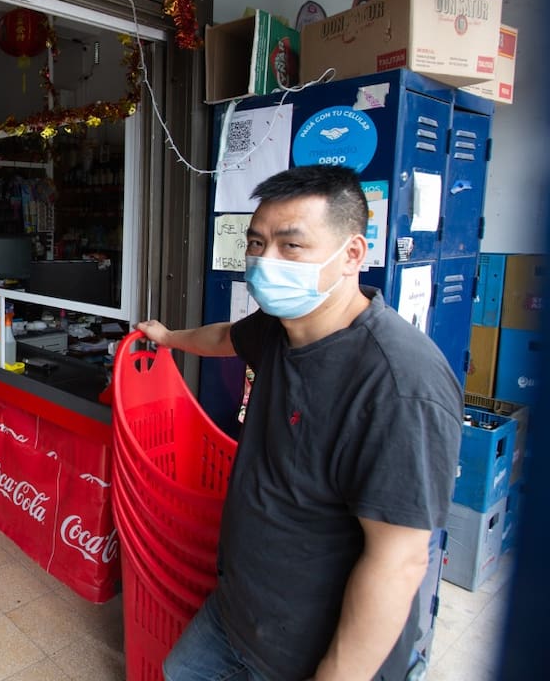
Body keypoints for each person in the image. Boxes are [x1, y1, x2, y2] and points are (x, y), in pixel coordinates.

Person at [138, 165, 462, 681]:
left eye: (291, 246)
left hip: (312, 652)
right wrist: (170, 337)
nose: (265, 261)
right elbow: (225, 338)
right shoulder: (278, 329)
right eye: (257, 242)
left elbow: (399, 562)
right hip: (238, 615)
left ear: (352, 254)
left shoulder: (401, 384)